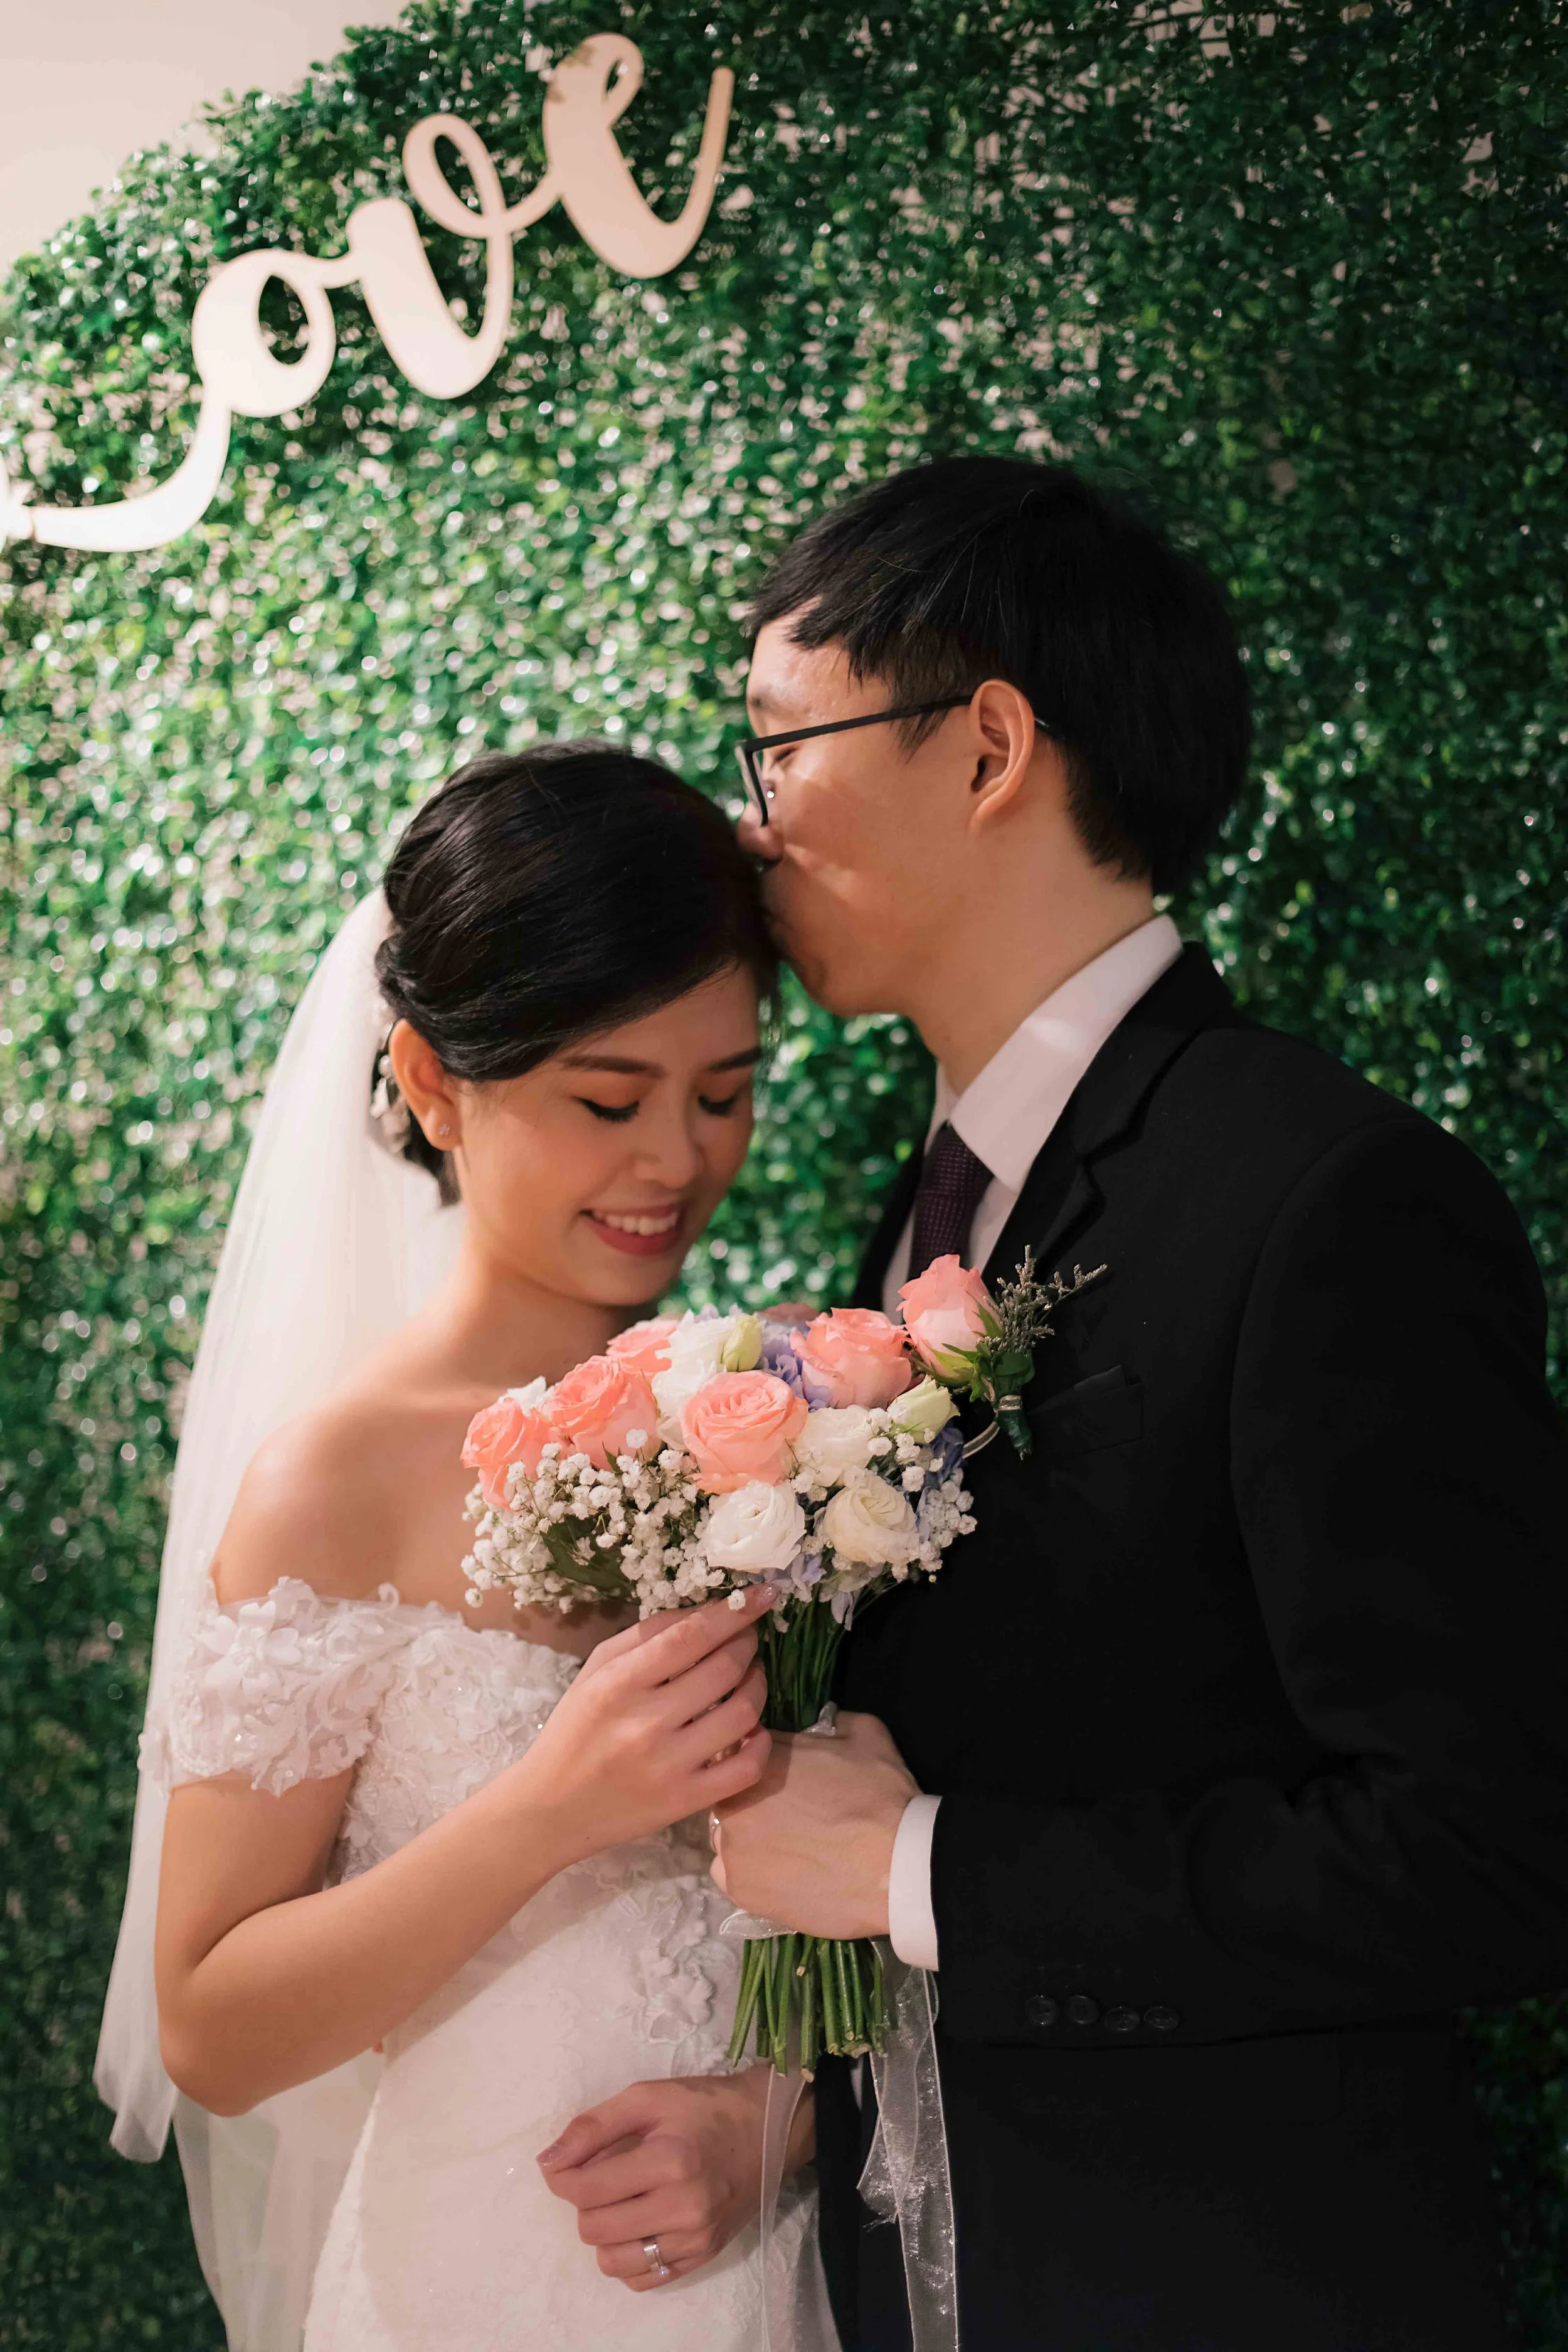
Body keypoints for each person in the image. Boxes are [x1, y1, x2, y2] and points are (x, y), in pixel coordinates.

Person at [691, 455, 1568, 2349]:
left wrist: (919, 1869)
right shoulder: (921, 1206)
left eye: (774, 743)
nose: (743, 821)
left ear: (987, 740)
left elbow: (1485, 1848)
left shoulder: (1324, 1192)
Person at [96, 744, 837, 2351]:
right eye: (604, 1098)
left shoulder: (793, 1410)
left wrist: (779, 2117)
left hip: (780, 2258)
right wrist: (550, 1808)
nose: (673, 1162)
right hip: (487, 2273)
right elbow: (210, 2024)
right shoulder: (336, 1480)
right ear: (433, 1081)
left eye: (722, 1091)